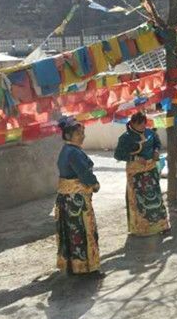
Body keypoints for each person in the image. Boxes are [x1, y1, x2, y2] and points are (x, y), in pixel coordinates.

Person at [55, 116, 103, 277]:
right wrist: (94, 184)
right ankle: (88, 267)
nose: (82, 136)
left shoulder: (66, 151)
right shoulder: (74, 153)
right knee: (83, 230)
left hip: (66, 199)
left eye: (82, 133)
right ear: (68, 135)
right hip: (76, 200)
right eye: (78, 134)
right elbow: (83, 173)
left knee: (71, 231)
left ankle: (74, 266)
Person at [113, 112, 169, 237]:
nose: (143, 126)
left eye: (144, 123)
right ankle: (141, 228)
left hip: (151, 169)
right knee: (139, 198)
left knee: (155, 196)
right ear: (132, 123)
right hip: (136, 172)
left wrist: (156, 151)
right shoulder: (125, 138)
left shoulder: (150, 133)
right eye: (140, 124)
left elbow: (157, 143)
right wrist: (135, 158)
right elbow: (118, 155)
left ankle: (161, 225)